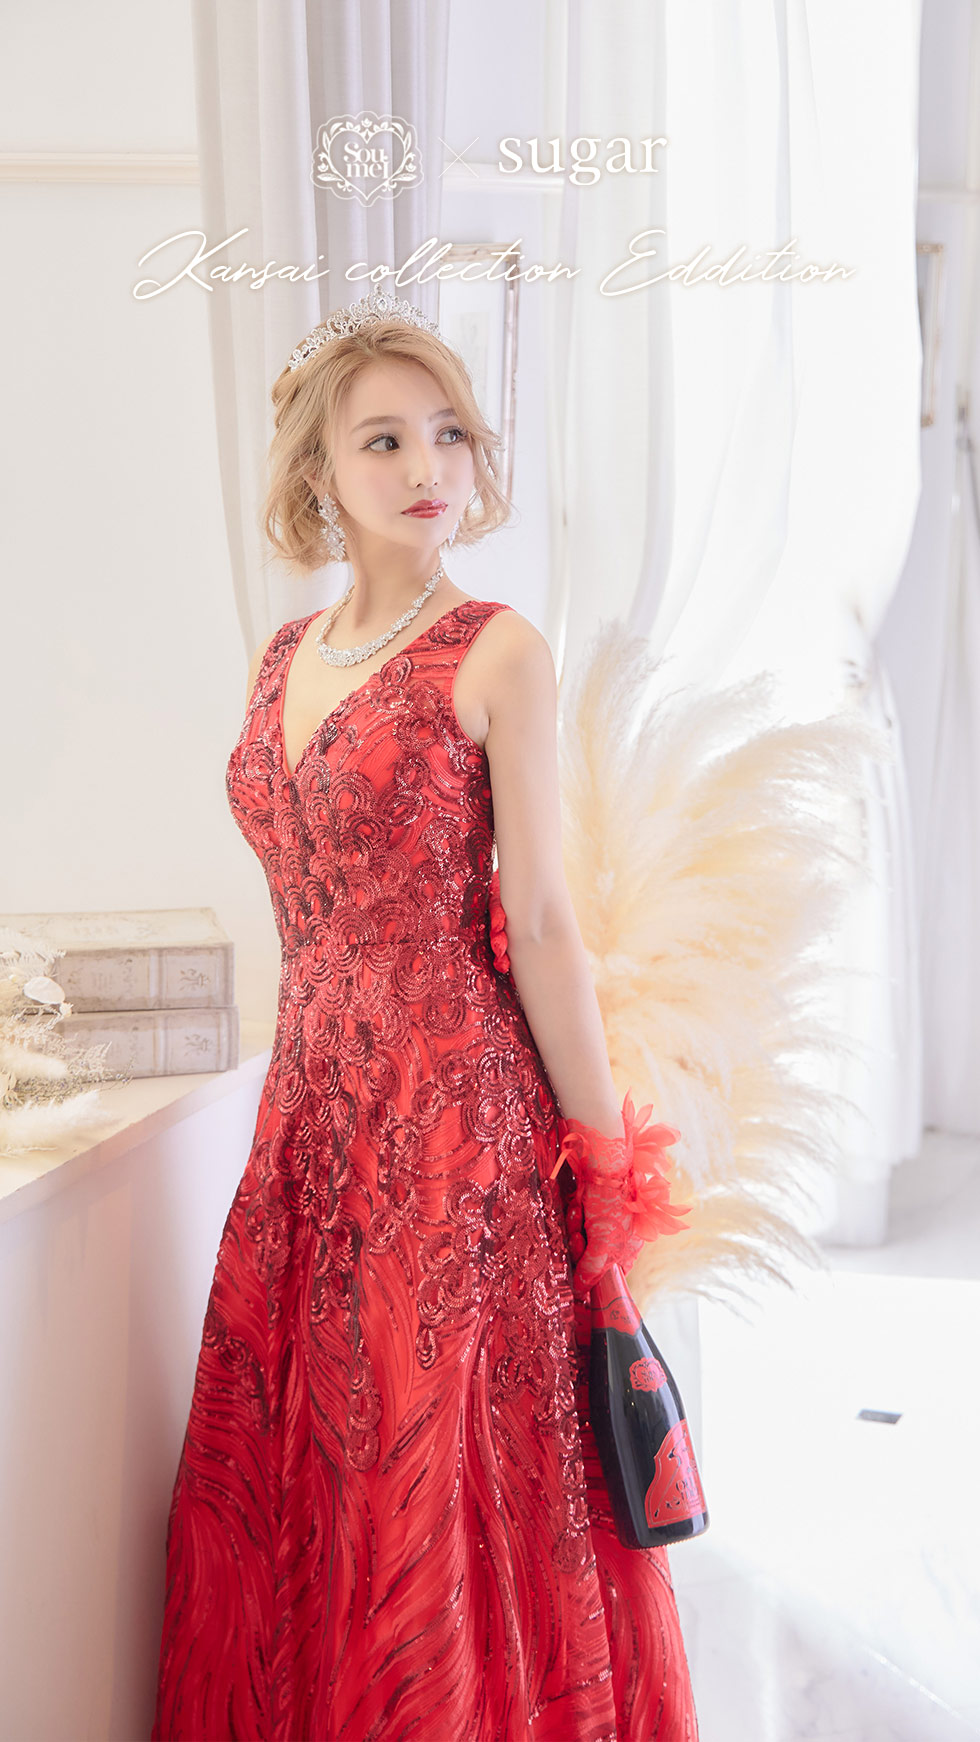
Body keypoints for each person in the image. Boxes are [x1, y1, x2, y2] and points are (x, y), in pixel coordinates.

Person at [151, 288, 700, 1740]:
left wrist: (602, 1158)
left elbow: (545, 922)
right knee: (312, 1458)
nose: (426, 467)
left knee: (426, 1459)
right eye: (384, 439)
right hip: (309, 1122)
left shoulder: (497, 649)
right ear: (320, 470)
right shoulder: (284, 656)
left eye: (448, 433)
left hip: (454, 1127)